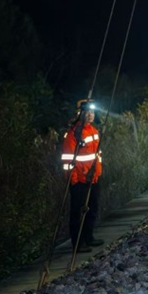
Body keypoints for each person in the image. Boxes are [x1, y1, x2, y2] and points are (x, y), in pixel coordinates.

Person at [61, 99, 104, 253]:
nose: (90, 115)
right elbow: (67, 159)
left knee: (92, 208)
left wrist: (98, 173)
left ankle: (89, 237)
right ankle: (78, 244)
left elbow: (97, 155)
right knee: (78, 212)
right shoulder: (73, 134)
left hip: (93, 178)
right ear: (80, 113)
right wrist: (73, 179)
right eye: (87, 112)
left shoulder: (94, 131)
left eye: (92, 112)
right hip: (79, 180)